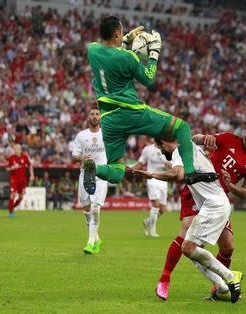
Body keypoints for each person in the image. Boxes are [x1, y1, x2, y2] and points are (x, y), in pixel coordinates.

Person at [83, 16, 217, 196]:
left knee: (116, 171)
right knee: (182, 128)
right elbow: (148, 79)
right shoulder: (128, 57)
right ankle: (190, 172)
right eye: (121, 31)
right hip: (131, 112)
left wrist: (127, 39)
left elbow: (111, 52)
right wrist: (153, 54)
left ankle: (94, 169)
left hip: (108, 119)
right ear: (116, 33)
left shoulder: (92, 50)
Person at [153, 117, 246, 301]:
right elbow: (194, 140)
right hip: (196, 191)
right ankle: (164, 280)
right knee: (186, 235)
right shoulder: (228, 139)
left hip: (216, 200)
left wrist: (232, 186)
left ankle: (219, 288)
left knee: (228, 247)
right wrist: (206, 138)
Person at [133, 137, 244, 303]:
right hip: (212, 204)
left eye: (160, 148)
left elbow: (176, 174)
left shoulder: (179, 151)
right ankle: (221, 285)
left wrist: (151, 174)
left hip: (215, 206)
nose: (162, 152)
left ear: (164, 143)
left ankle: (229, 276)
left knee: (189, 247)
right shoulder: (189, 147)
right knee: (190, 250)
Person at [72, 107, 108, 255]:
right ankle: (97, 238)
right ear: (88, 117)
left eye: (97, 114)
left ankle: (90, 242)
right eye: (92, 114)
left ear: (100, 117)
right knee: (87, 209)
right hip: (85, 176)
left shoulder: (106, 134)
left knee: (95, 208)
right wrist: (82, 158)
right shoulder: (81, 135)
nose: (94, 116)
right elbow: (74, 155)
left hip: (101, 176)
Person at [132, 139, 170, 237]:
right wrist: (131, 169)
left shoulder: (168, 148)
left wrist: (168, 165)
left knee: (162, 209)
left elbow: (171, 167)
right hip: (152, 178)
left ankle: (147, 222)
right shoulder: (148, 149)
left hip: (163, 179)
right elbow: (141, 163)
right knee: (156, 205)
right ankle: (153, 230)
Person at [6, 144, 34, 217]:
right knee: (12, 195)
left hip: (22, 180)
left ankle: (11, 207)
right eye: (14, 149)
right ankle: (11, 212)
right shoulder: (11, 158)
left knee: (21, 197)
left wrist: (32, 175)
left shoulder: (24, 157)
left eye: (17, 149)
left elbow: (30, 165)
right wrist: (12, 168)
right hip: (14, 179)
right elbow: (7, 168)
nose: (15, 150)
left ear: (20, 150)